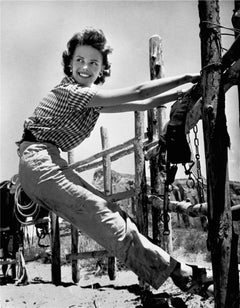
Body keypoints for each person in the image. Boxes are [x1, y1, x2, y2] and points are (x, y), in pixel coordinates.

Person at [17, 28, 212, 294]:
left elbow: (144, 103)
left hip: (43, 163)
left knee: (110, 213)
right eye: (80, 61)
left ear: (101, 69)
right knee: (103, 215)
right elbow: (140, 90)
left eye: (93, 63)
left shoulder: (89, 100)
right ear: (69, 64)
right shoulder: (74, 92)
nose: (85, 67)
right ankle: (182, 273)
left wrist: (183, 94)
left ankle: (176, 271)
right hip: (39, 163)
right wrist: (188, 77)